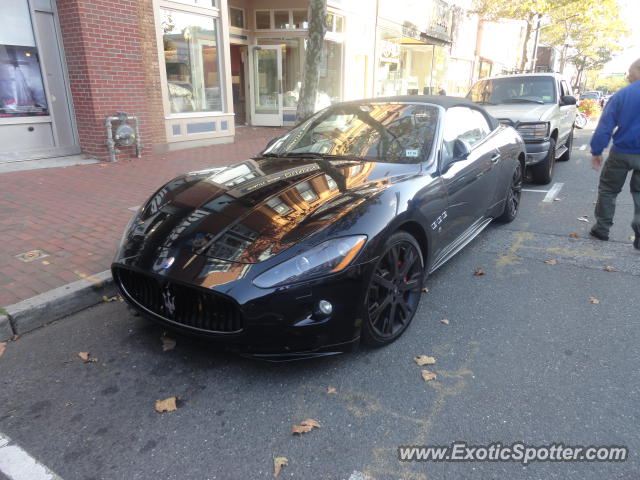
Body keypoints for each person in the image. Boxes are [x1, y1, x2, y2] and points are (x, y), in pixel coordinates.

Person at [589, 58, 640, 250]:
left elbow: (605, 126)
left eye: (630, 71)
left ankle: (602, 229)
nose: (628, 75)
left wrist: (597, 150)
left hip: (622, 152)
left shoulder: (622, 95)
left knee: (609, 190)